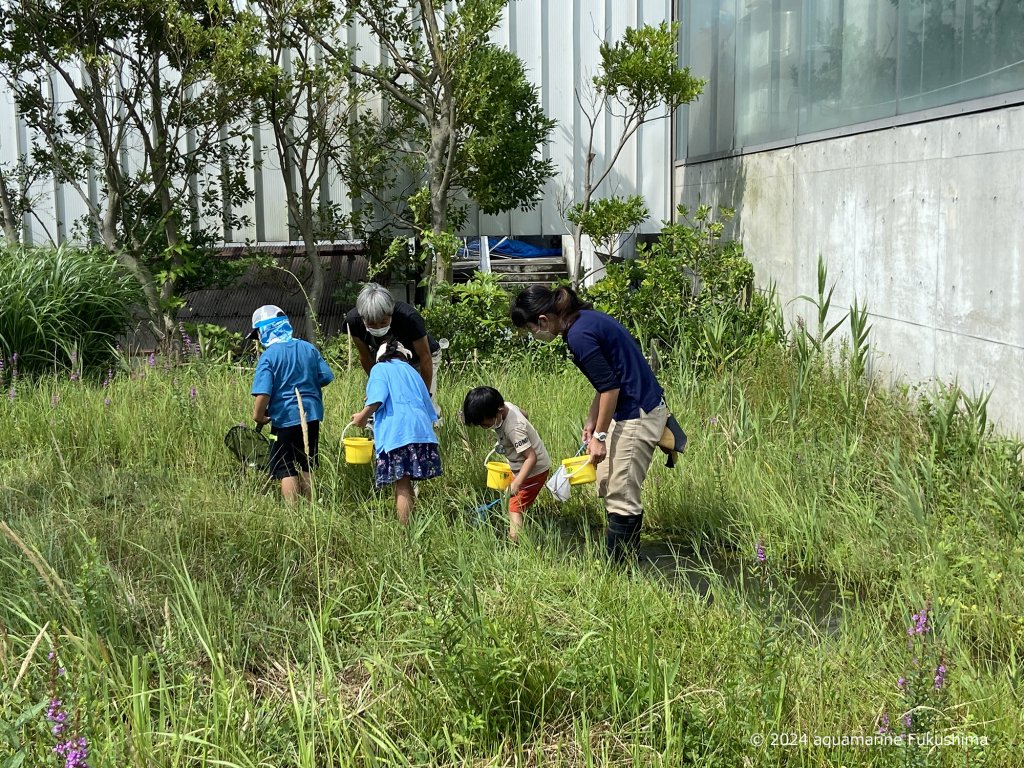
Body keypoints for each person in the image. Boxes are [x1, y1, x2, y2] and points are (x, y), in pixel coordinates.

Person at [510, 285, 669, 563]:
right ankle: (622, 560)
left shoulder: (579, 335)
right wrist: (592, 420)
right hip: (628, 408)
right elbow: (607, 378)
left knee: (622, 494)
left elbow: (610, 387)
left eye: (531, 329)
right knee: (609, 484)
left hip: (636, 412)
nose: (535, 335)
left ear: (544, 320)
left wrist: (601, 436)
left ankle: (620, 569)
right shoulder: (585, 320)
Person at [250, 305, 335, 505]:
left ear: (264, 331)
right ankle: (313, 506)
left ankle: (293, 514)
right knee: (308, 462)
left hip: (284, 419)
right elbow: (326, 376)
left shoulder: (269, 356)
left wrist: (258, 416)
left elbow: (263, 392)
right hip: (311, 416)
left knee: (284, 466)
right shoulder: (308, 348)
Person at [351, 340, 442, 524]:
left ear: (379, 358)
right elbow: (427, 402)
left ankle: (404, 530)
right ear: (404, 356)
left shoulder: (379, 369)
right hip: (421, 432)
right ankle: (411, 522)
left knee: (401, 483)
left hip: (398, 434)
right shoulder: (412, 372)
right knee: (407, 481)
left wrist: (361, 417)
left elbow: (377, 398)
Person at [461, 386, 552, 542]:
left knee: (514, 507)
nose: (484, 427)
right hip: (521, 467)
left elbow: (531, 457)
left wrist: (517, 482)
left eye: (485, 424)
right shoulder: (507, 406)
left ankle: (515, 545)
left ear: (498, 411)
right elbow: (524, 414)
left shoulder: (514, 429)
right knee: (513, 502)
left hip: (534, 471)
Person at [345, 283, 442, 407]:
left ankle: (433, 422)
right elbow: (365, 357)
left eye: (383, 322)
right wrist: (379, 383)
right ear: (363, 318)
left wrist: (424, 395)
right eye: (371, 324)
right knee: (386, 402)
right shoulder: (353, 321)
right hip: (385, 360)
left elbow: (425, 357)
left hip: (420, 359)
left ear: (390, 314)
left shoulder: (409, 317)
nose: (378, 327)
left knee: (423, 405)